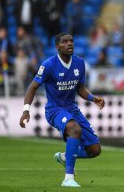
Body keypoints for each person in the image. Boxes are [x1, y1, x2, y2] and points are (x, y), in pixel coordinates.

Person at [19, 33, 105, 187]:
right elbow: (32, 87)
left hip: (72, 108)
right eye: (65, 42)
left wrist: (93, 98)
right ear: (57, 46)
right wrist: (26, 110)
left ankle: (64, 157)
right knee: (74, 128)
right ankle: (68, 178)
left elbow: (80, 88)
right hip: (54, 109)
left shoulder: (79, 63)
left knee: (95, 150)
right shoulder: (48, 65)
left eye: (71, 41)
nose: (69, 44)